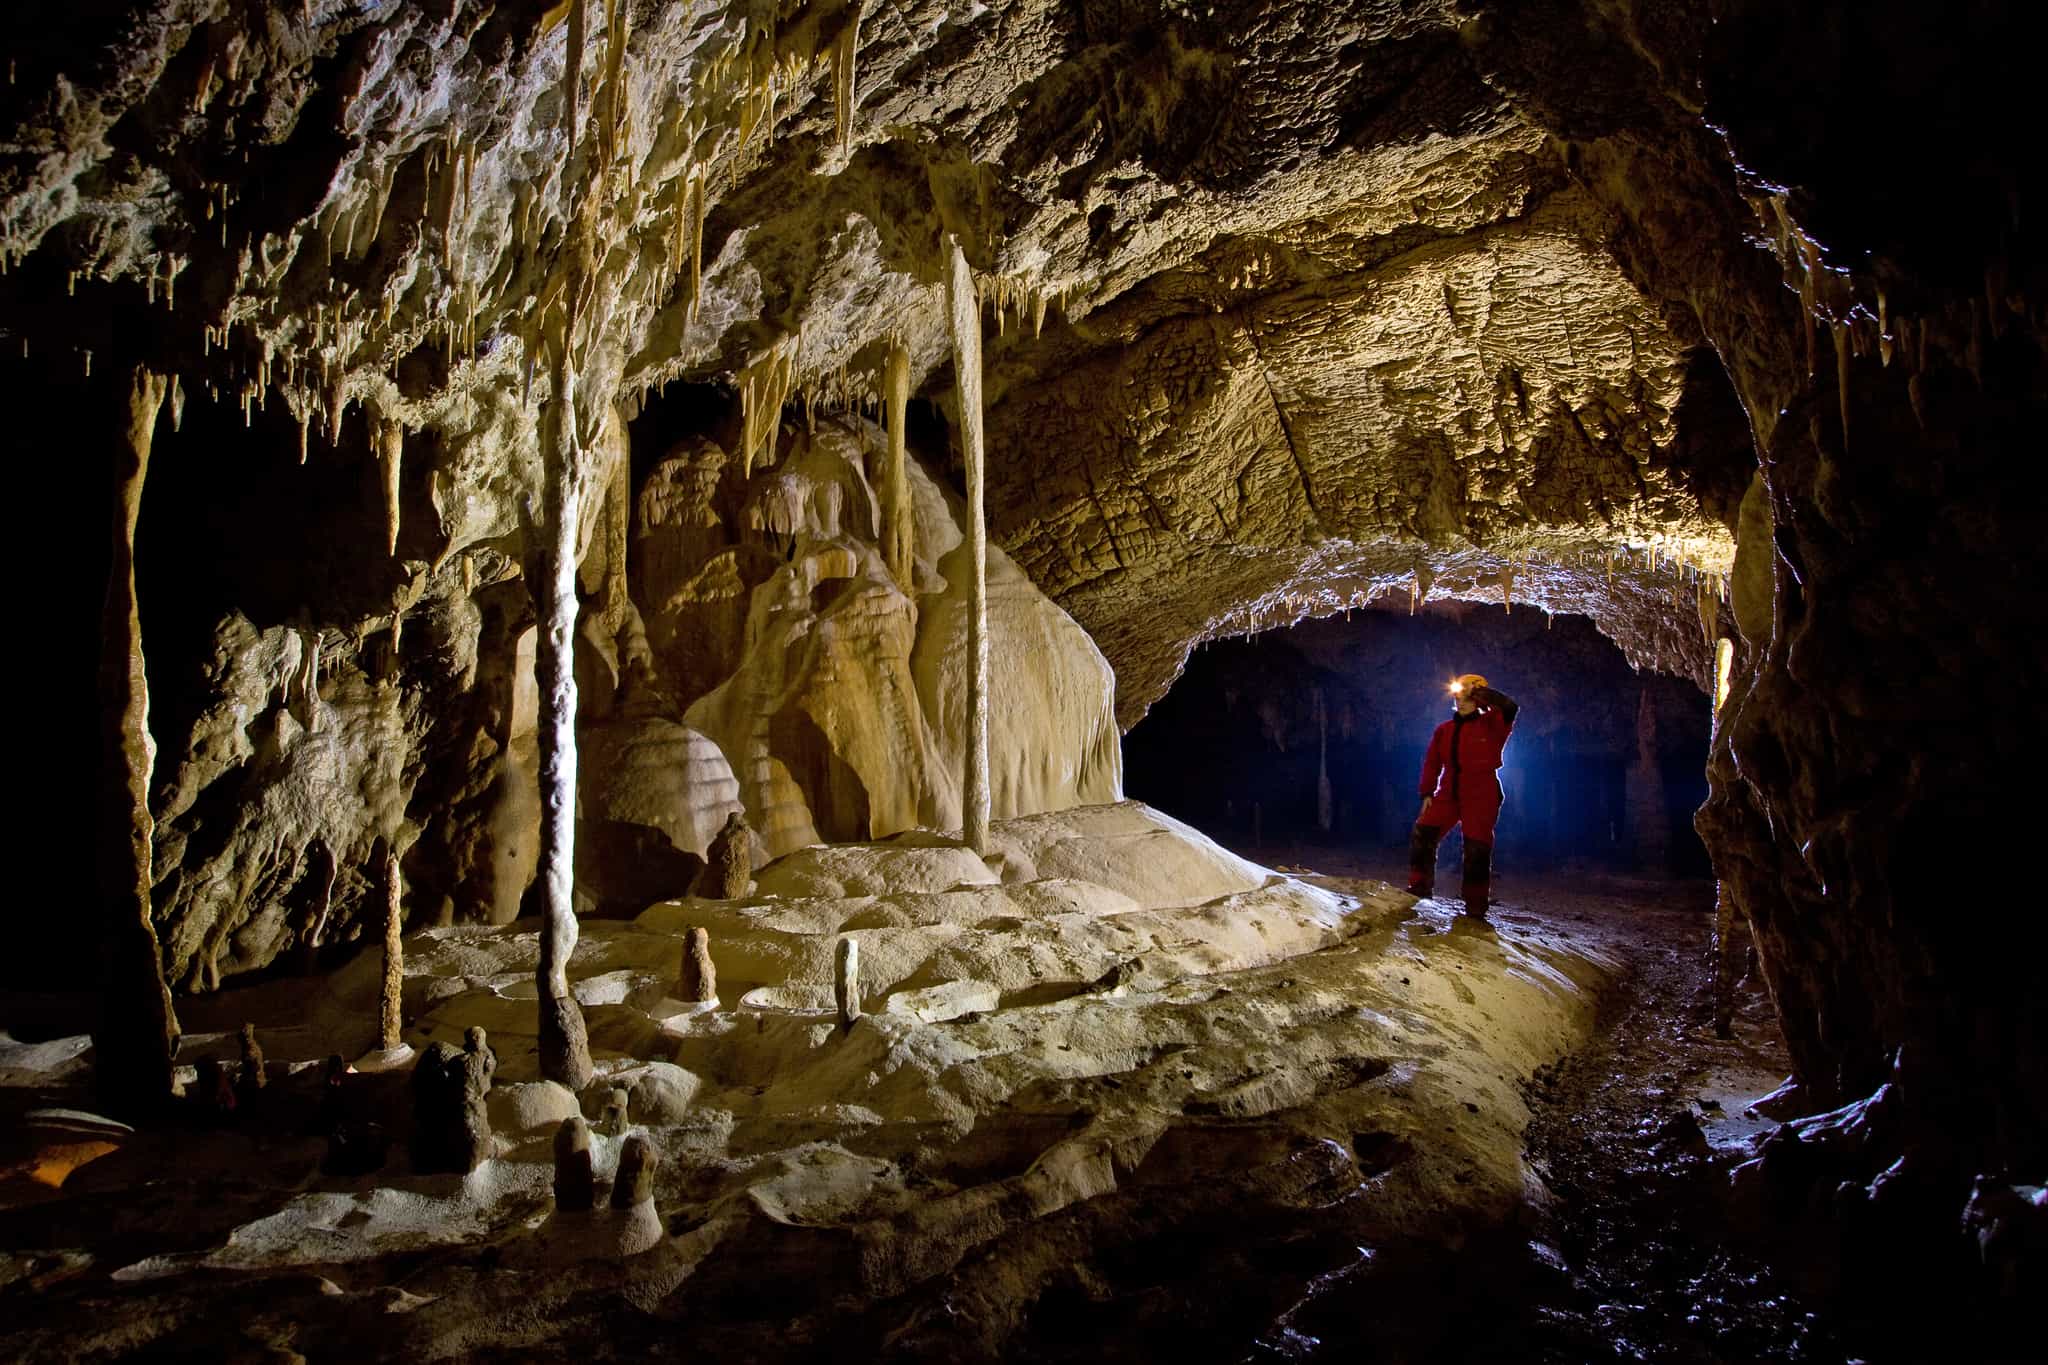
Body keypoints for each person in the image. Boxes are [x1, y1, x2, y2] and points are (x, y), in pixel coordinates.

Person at [1409, 673, 1520, 919]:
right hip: (1449, 791)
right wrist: (1427, 792)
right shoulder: (1444, 730)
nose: (1461, 703)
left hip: (1481, 792)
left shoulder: (1492, 725)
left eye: (1467, 699)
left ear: (1479, 700)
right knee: (1424, 832)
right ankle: (1419, 888)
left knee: (1476, 848)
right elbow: (1432, 761)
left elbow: (1510, 707)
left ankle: (1475, 905)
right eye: (1458, 698)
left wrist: (1482, 694)